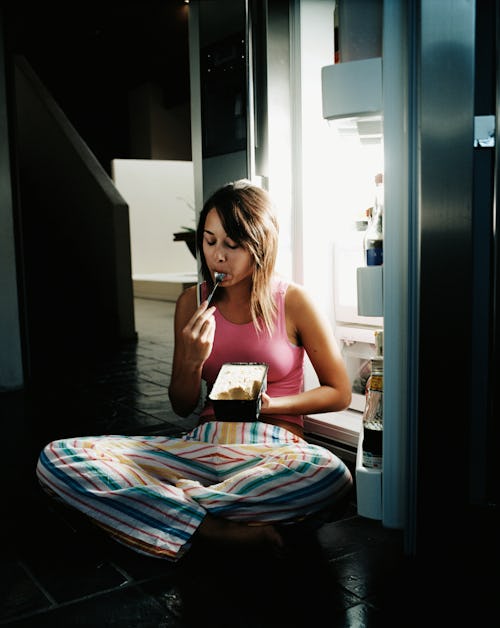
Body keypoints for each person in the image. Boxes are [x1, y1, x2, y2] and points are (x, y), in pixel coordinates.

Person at [36, 180, 353, 561]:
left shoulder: (294, 301)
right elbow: (182, 404)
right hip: (201, 444)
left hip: (274, 447)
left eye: (232, 245)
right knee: (58, 456)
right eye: (209, 241)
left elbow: (340, 392)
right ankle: (209, 527)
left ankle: (166, 505)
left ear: (261, 245)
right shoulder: (193, 301)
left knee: (331, 473)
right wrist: (190, 359)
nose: (218, 256)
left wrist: (264, 406)